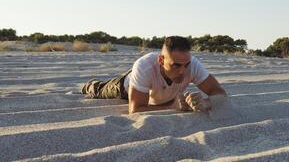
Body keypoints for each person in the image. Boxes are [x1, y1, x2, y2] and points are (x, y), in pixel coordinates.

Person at [81, 36, 227, 114]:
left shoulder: (192, 64)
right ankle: (89, 85)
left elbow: (220, 93)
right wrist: (173, 106)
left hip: (159, 95)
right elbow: (135, 110)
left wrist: (206, 102)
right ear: (161, 60)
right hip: (126, 89)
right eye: (176, 65)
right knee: (100, 90)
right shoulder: (144, 66)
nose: (183, 71)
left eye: (186, 65)